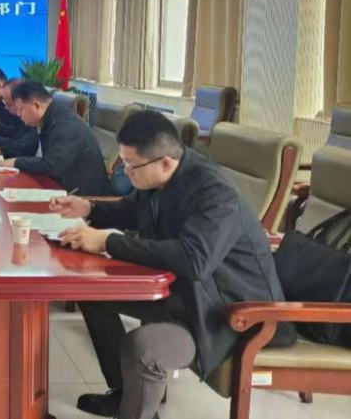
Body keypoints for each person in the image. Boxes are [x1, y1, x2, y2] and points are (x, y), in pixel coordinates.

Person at [50, 111, 295, 419]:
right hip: (189, 294)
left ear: (164, 162)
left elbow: (194, 260)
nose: (125, 172)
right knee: (93, 294)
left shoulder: (215, 194)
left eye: (131, 166)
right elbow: (135, 210)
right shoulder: (166, 176)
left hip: (231, 315)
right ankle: (126, 394)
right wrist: (89, 208)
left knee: (143, 347)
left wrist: (107, 242)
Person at [0, 81, 110, 196]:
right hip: (59, 188)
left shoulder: (65, 125)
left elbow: (52, 165)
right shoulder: (47, 119)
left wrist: (16, 162)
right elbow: (29, 146)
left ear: (36, 105)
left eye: (21, 110)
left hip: (81, 197)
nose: (19, 114)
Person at [0, 78, 39, 159]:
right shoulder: (18, 115)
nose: (6, 108)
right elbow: (15, 133)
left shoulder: (34, 118)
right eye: (4, 102)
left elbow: (26, 146)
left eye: (10, 104)